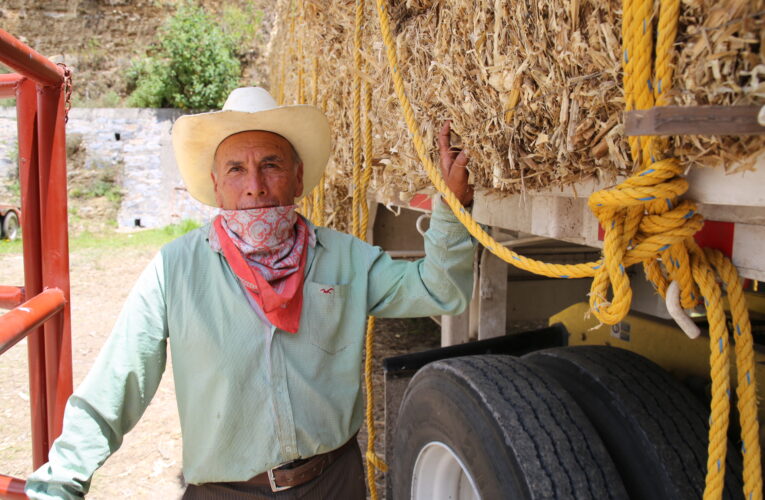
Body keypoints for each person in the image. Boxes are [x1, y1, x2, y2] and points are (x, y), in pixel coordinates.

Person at [25, 87, 476, 499]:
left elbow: (441, 291)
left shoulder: (345, 259)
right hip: (224, 493)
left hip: (333, 482)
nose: (255, 185)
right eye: (236, 169)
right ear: (216, 185)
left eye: (271, 165)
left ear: (298, 179)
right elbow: (116, 384)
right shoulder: (174, 269)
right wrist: (61, 481)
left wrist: (452, 209)